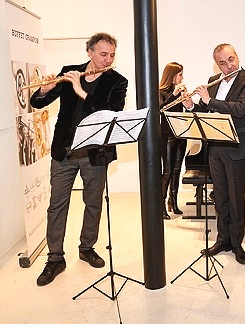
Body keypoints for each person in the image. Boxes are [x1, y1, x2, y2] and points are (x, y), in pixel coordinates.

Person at [30, 33, 128, 286]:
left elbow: (114, 110)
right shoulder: (69, 72)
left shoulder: (118, 81)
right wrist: (44, 89)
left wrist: (81, 92)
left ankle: (86, 247)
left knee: (93, 203)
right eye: (103, 54)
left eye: (112, 55)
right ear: (90, 52)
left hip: (96, 154)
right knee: (57, 205)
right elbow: (37, 102)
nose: (108, 59)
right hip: (64, 151)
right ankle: (55, 258)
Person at [183, 43, 245, 264]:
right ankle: (223, 240)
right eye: (222, 63)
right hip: (215, 146)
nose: (228, 66)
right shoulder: (212, 81)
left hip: (238, 147)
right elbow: (207, 112)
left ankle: (237, 244)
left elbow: (240, 109)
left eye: (231, 60)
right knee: (220, 197)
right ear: (217, 64)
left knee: (236, 199)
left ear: (237, 56)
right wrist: (191, 106)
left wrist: (209, 100)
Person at [159, 62, 188, 220]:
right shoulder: (162, 91)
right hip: (167, 135)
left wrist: (185, 98)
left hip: (180, 133)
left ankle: (173, 201)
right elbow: (160, 108)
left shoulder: (181, 91)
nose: (182, 77)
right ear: (172, 75)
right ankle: (161, 204)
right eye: (180, 74)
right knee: (168, 171)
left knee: (177, 169)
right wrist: (174, 94)